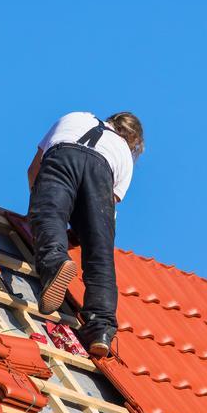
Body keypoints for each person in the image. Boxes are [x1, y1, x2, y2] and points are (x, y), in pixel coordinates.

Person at [28, 111, 144, 357]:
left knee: (49, 215)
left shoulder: (74, 117)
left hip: (62, 156)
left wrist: (39, 209)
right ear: (134, 142)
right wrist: (85, 233)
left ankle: (55, 263)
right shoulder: (124, 152)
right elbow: (104, 217)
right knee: (99, 254)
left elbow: (33, 171)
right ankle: (100, 328)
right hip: (102, 171)